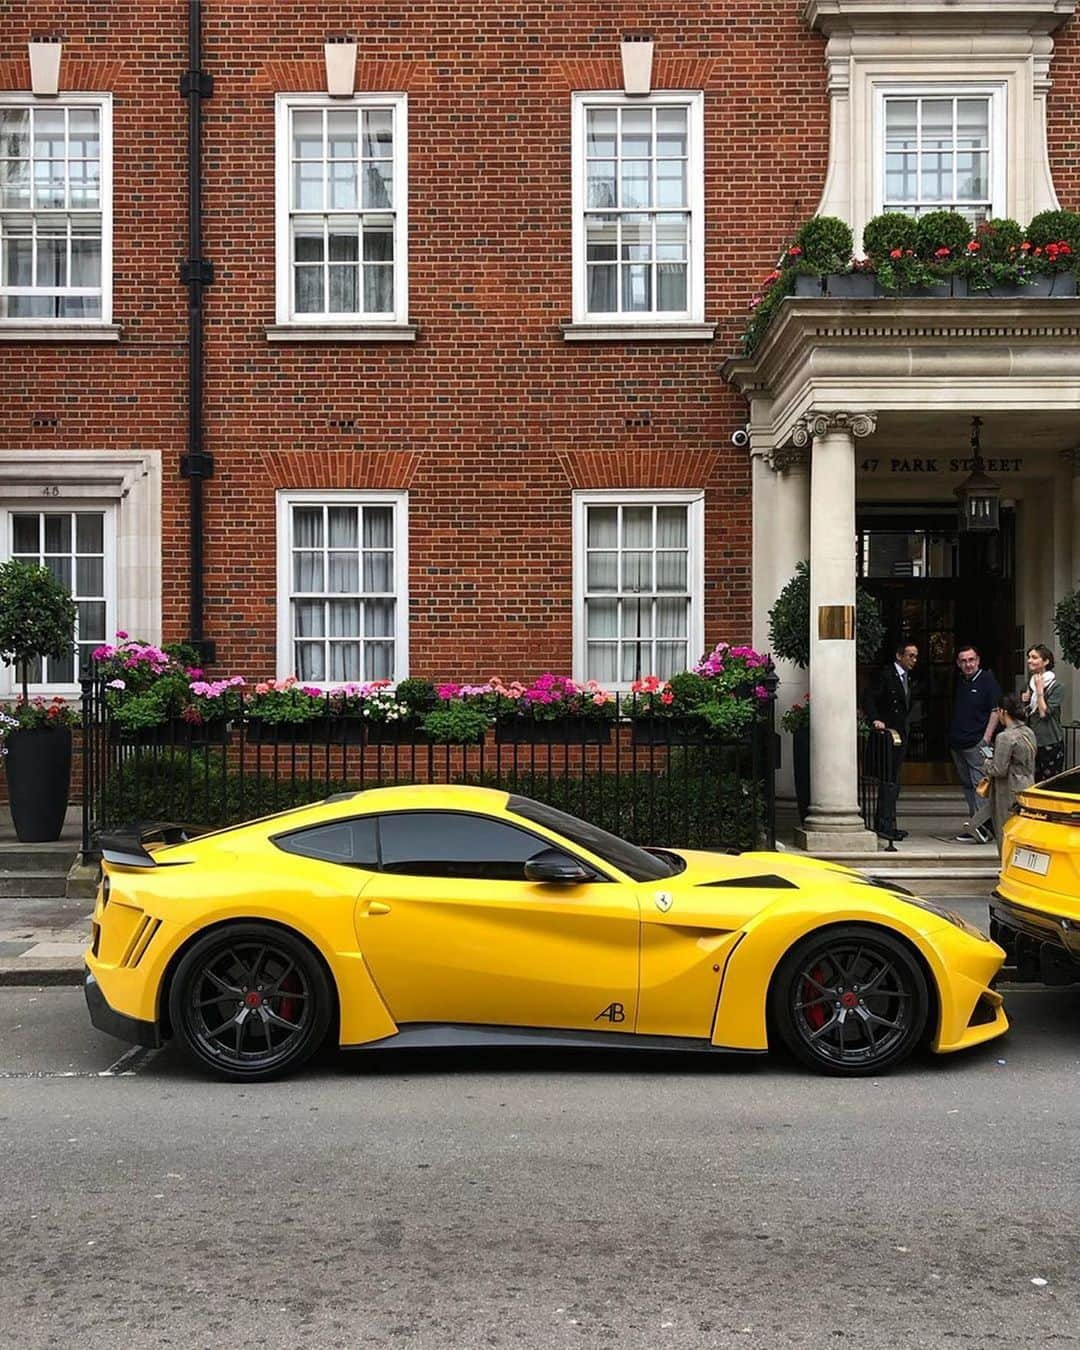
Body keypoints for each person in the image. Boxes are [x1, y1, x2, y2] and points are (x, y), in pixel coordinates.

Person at [967, 693, 1036, 857]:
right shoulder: (1029, 732)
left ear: (1003, 712)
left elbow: (998, 769)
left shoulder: (1005, 737)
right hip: (1027, 784)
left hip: (1008, 789)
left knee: (1005, 829)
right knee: (1022, 830)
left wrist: (986, 762)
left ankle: (1007, 864)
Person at [864, 640, 918, 842]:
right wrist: (875, 719)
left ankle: (889, 823)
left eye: (915, 656)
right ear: (899, 656)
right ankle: (884, 824)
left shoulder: (907, 678)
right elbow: (868, 697)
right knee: (888, 781)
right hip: (887, 736)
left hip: (900, 735)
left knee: (894, 782)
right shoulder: (886, 675)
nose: (914, 660)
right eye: (910, 655)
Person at [948, 644, 1001, 844]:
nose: (968, 664)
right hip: (958, 743)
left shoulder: (988, 681)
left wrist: (986, 738)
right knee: (968, 786)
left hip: (976, 743)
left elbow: (995, 711)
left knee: (980, 786)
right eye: (963, 661)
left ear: (978, 660)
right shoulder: (961, 681)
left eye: (971, 660)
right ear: (958, 664)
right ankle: (975, 826)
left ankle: (984, 828)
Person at [1021, 644, 1065, 783]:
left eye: (1034, 657)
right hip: (1031, 741)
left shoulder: (1057, 686)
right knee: (1032, 781)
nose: (1029, 661)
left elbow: (1043, 714)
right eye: (1029, 657)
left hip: (1049, 742)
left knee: (1049, 783)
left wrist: (1040, 693)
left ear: (1045, 661)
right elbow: (1024, 714)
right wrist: (1024, 702)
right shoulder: (1030, 684)